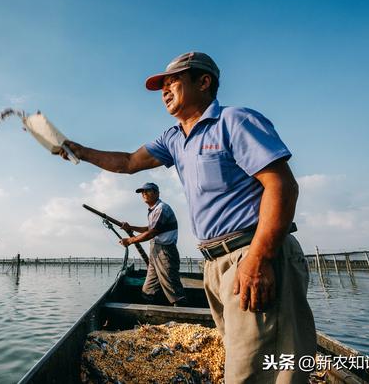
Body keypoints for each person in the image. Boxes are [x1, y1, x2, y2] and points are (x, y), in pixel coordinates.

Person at [57, 51, 316, 383]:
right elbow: (127, 162)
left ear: (204, 82)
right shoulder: (174, 138)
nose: (165, 91)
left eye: (173, 81)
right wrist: (78, 150)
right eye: (162, 85)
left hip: (252, 253)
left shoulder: (234, 122)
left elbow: (282, 186)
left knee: (261, 369)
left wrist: (260, 258)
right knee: (243, 357)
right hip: (215, 263)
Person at [119, 182, 186, 307]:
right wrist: (130, 227)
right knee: (148, 289)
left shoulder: (162, 208)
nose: (144, 194)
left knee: (172, 287)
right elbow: (149, 228)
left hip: (165, 252)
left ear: (156, 193)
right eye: (142, 192)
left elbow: (152, 233)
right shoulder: (153, 210)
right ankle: (150, 315)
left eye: (147, 191)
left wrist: (130, 240)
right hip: (155, 251)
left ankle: (183, 315)